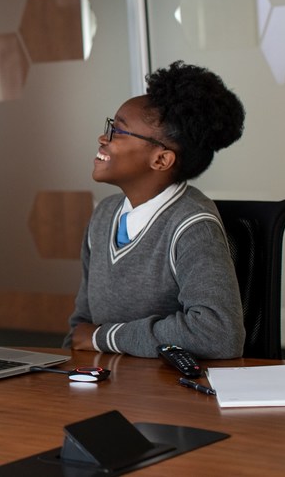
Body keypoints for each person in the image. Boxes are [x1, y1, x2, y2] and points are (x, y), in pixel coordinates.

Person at [64, 61, 246, 359]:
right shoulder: (103, 216)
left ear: (161, 160)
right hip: (109, 385)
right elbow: (81, 330)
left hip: (169, 396)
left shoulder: (192, 225)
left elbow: (219, 334)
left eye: (118, 131)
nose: (103, 138)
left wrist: (104, 337)